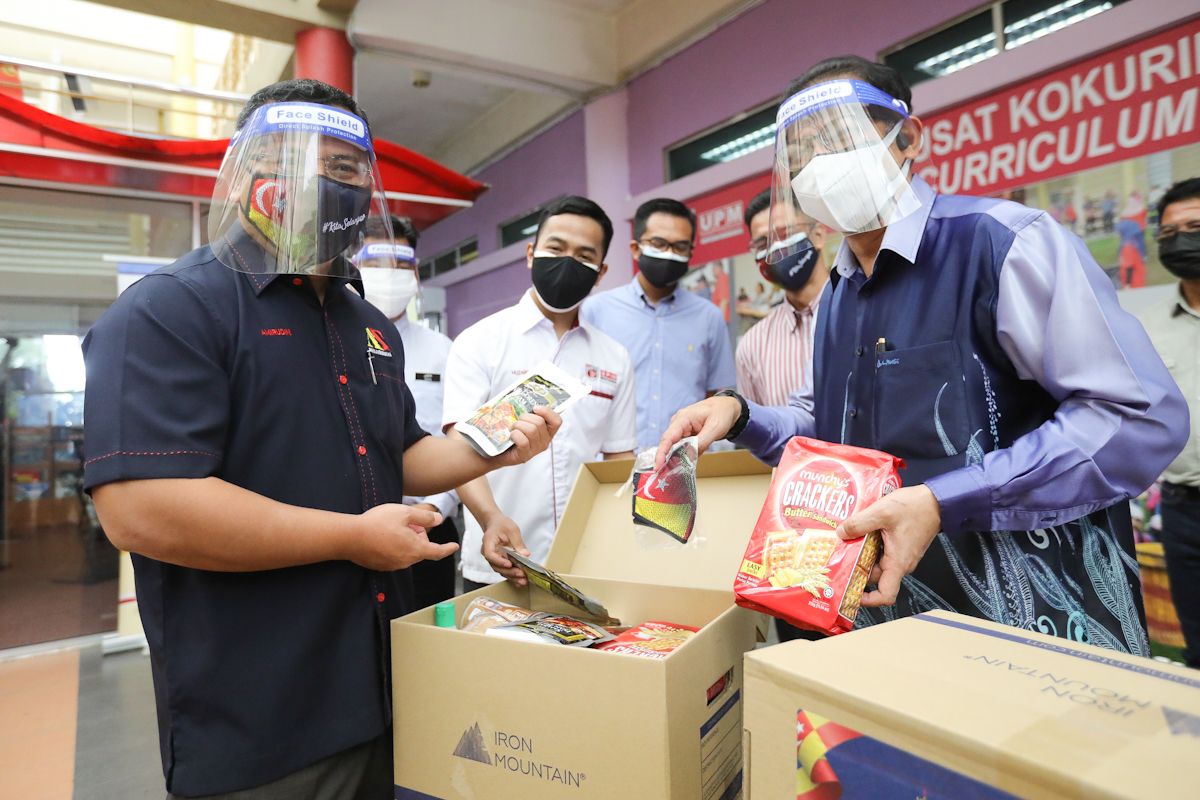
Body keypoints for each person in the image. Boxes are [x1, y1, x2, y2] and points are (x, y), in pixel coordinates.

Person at [81, 79, 560, 799]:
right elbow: (141, 508)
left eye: (347, 169)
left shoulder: (364, 321)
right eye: (302, 159)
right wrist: (349, 538)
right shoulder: (172, 311)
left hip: (384, 687)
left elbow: (400, 454)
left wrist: (498, 442)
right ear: (248, 173)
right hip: (260, 714)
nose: (328, 184)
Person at [657, 56, 1186, 654]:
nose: (819, 167)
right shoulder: (839, 290)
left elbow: (1135, 414)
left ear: (907, 138)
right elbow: (835, 425)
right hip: (891, 618)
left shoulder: (1001, 243)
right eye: (800, 154)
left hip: (1035, 616)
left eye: (840, 138)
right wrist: (741, 413)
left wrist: (947, 499)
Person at [442, 196, 636, 590]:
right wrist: (490, 517)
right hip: (498, 559)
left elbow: (619, 459)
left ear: (600, 273)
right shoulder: (480, 341)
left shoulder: (614, 357)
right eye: (555, 248)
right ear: (531, 254)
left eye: (584, 255)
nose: (567, 262)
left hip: (586, 564)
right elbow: (455, 448)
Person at [357, 214, 459, 608]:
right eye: (379, 263)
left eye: (402, 264)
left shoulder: (443, 349)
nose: (391, 274)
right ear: (356, 264)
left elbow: (455, 437)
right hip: (351, 527)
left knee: (424, 648)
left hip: (428, 524)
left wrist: (435, 507)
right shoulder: (329, 337)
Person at [582, 198, 735, 451]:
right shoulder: (597, 310)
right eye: (658, 244)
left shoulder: (709, 317)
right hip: (612, 463)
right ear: (635, 248)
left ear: (690, 253)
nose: (669, 253)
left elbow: (715, 397)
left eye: (680, 247)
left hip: (683, 466)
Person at [1136, 177, 1200, 668]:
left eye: (1195, 227)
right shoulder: (1148, 327)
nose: (1181, 239)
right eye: (1169, 232)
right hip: (1183, 512)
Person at [736, 188, 830, 407]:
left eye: (785, 234)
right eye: (763, 243)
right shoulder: (752, 347)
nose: (776, 247)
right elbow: (757, 434)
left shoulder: (864, 313)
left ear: (818, 235)